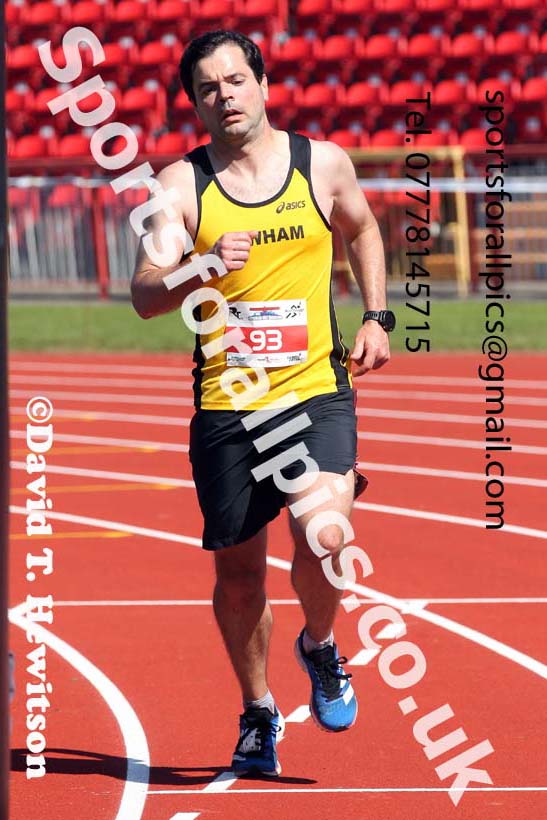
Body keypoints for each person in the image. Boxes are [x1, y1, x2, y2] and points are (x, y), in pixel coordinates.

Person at [131, 29, 394, 777]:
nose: (225, 96)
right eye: (208, 87)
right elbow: (145, 294)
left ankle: (318, 645)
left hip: (314, 389)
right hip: (228, 405)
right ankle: (257, 711)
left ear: (262, 83)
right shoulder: (179, 188)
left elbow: (364, 228)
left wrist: (375, 316)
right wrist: (202, 265)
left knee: (326, 533)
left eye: (235, 80)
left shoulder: (323, 164)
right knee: (239, 576)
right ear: (194, 102)